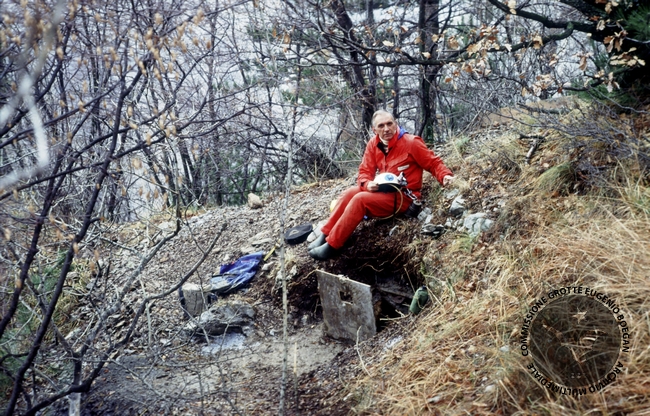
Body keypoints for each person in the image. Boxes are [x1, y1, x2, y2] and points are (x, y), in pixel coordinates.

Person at [308, 110, 455, 260]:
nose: (386, 129)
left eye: (389, 124)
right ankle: (325, 234)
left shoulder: (411, 142)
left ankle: (332, 245)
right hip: (384, 191)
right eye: (381, 126)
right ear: (374, 129)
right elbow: (364, 172)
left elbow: (433, 163)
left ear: (395, 124)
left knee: (360, 200)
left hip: (405, 197)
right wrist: (367, 184)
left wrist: (445, 176)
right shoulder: (373, 144)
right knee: (350, 193)